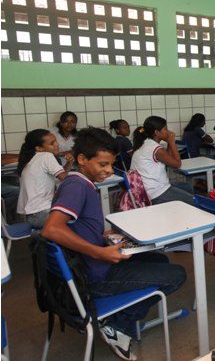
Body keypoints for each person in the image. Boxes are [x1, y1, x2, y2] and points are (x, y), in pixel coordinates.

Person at [42, 127, 186, 361]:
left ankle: (117, 320)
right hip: (94, 276)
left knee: (157, 259)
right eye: (102, 165)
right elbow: (52, 228)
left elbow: (75, 226)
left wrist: (102, 236)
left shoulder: (78, 182)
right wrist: (99, 251)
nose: (109, 170)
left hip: (88, 267)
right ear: (82, 159)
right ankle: (119, 326)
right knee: (177, 274)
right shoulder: (76, 186)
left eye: (111, 164)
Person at [130, 116, 194, 205]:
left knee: (188, 187)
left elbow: (167, 158)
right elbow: (177, 164)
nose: (168, 132)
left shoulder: (146, 143)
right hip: (155, 194)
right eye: (165, 129)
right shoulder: (155, 148)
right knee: (194, 201)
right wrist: (172, 142)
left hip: (147, 189)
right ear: (156, 132)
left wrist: (169, 143)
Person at [16, 129, 73, 228]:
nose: (57, 144)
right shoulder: (46, 156)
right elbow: (64, 178)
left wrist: (69, 163)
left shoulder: (33, 159)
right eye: (52, 143)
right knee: (80, 219)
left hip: (33, 216)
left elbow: (61, 175)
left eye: (55, 141)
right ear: (39, 148)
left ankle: (42, 238)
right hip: (42, 214)